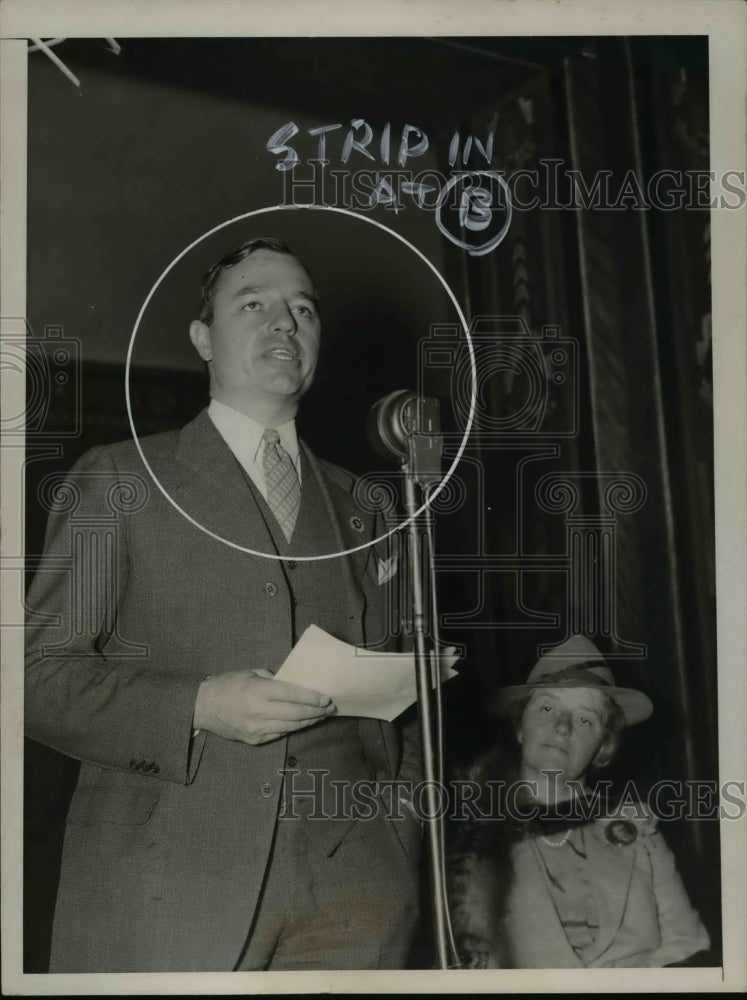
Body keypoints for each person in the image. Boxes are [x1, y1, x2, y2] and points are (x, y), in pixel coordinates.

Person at [24, 237, 422, 972]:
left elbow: (398, 702)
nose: (285, 323)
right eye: (254, 304)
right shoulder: (120, 479)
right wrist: (197, 705)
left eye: (303, 309)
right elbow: (34, 677)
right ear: (203, 339)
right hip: (174, 882)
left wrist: (399, 828)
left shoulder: (366, 502)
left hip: (358, 886)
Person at [448, 635, 711, 969]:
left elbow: (688, 944)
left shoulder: (635, 826)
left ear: (604, 745)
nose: (562, 728)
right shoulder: (474, 836)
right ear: (519, 726)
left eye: (585, 718)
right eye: (546, 708)